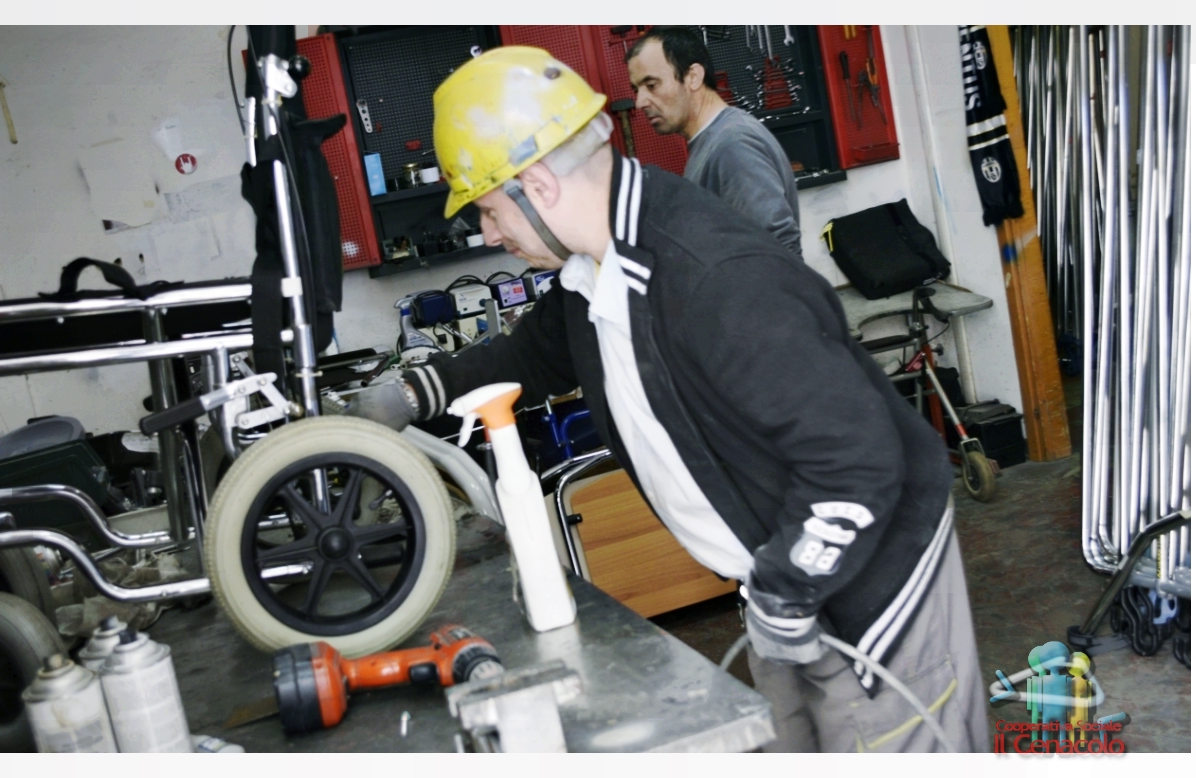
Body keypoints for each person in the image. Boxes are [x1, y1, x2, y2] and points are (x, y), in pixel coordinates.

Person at [343, 46, 988, 753]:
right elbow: (529, 354)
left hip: (872, 591)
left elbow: (858, 461)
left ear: (538, 184)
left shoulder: (711, 275)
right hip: (780, 581)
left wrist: (789, 585)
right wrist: (412, 394)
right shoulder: (597, 266)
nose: (489, 235)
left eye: (490, 210)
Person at [625, 26, 802, 257]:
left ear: (693, 77)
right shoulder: (711, 142)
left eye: (651, 85)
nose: (640, 102)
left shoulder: (732, 145)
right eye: (636, 89)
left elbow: (779, 249)